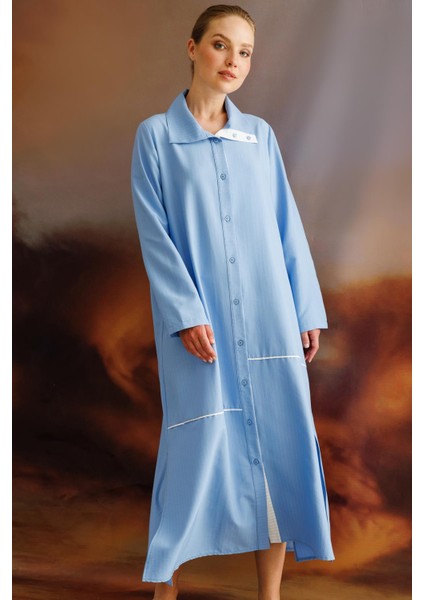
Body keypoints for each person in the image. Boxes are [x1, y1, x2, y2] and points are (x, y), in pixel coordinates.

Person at [131, 4, 335, 599]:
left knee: (278, 451)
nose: (233, 61)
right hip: (201, 328)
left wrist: (305, 310)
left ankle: (270, 593)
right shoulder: (155, 137)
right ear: (192, 47)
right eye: (221, 45)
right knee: (194, 448)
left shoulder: (260, 137)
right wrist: (185, 314)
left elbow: (286, 226)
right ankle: (165, 586)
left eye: (244, 52)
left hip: (271, 322)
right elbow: (155, 235)